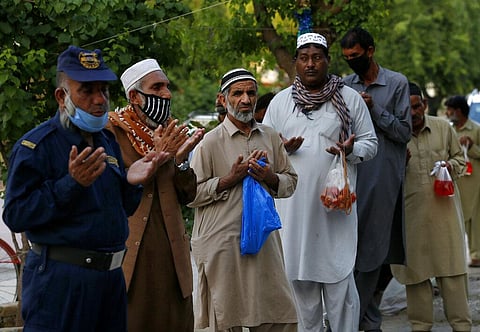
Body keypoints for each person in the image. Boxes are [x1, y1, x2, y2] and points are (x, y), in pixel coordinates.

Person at [2, 46, 165, 332]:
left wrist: (132, 182)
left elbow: (120, 209)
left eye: (103, 90)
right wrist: (70, 185)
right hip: (61, 284)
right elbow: (16, 215)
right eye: (87, 91)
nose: (99, 100)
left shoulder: (107, 141)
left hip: (110, 282)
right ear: (61, 96)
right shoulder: (37, 147)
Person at [263, 32, 378, 332]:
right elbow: (263, 152)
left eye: (317, 57)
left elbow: (371, 144)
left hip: (334, 210)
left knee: (340, 284)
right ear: (296, 63)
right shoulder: (280, 102)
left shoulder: (349, 99)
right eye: (304, 58)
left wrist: (351, 150)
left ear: (328, 61)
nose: (310, 64)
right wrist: (282, 150)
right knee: (300, 289)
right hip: (293, 214)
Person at [189, 68, 298, 331]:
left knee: (278, 314)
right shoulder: (209, 143)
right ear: (223, 99)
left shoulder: (270, 136)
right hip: (223, 243)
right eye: (237, 93)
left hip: (264, 242)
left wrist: (270, 177)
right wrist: (229, 179)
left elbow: (290, 181)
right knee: (227, 317)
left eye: (251, 93)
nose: (246, 100)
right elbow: (191, 195)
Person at [106, 59, 204, 331]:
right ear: (134, 96)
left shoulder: (171, 131)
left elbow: (187, 195)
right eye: (157, 87)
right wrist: (157, 159)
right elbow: (110, 190)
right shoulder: (112, 132)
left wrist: (181, 160)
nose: (166, 94)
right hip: (132, 256)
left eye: (167, 87)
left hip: (172, 254)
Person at [340, 26, 412, 331]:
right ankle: (367, 321)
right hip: (353, 173)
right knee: (350, 249)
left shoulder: (396, 83)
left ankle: (354, 320)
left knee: (372, 250)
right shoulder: (344, 85)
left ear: (370, 51)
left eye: (355, 56)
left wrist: (374, 109)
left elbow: (404, 132)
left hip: (382, 176)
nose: (351, 62)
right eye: (346, 58)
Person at [391, 83, 471, 331]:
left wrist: (450, 166)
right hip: (411, 221)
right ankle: (420, 327)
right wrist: (397, 164)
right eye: (406, 107)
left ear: (424, 105)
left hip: (445, 218)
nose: (412, 112)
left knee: (453, 275)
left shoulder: (442, 128)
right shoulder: (394, 134)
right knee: (416, 277)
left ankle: (462, 327)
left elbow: (460, 159)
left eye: (416, 106)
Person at [445, 95, 480, 268]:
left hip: (475, 182)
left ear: (458, 111)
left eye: (450, 110)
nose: (447, 113)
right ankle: (456, 256)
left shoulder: (476, 129)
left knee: (476, 220)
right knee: (458, 218)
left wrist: (472, 146)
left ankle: (476, 255)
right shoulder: (449, 130)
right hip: (457, 181)